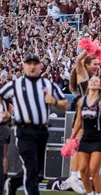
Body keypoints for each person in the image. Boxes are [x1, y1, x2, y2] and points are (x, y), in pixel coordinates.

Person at [1, 54, 68, 195]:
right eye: (29, 63)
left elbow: (65, 104)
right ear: (24, 65)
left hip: (42, 131)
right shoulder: (16, 84)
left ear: (40, 66)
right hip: (24, 130)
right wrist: (4, 112)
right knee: (31, 166)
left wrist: (54, 101)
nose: (32, 67)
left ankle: (13, 182)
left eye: (35, 64)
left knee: (35, 169)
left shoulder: (47, 84)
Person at [70, 76, 101, 195]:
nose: (94, 81)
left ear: (100, 86)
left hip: (98, 139)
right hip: (85, 139)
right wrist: (72, 138)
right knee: (83, 171)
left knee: (94, 170)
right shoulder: (81, 101)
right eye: (92, 80)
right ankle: (90, 193)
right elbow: (78, 121)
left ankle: (99, 193)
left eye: (97, 81)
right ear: (88, 84)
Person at [67, 51, 101, 194]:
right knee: (77, 143)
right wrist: (90, 48)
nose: (97, 66)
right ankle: (73, 176)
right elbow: (78, 59)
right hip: (83, 115)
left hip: (93, 118)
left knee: (87, 148)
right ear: (86, 65)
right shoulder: (83, 75)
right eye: (95, 64)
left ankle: (81, 177)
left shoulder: (93, 78)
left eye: (98, 64)